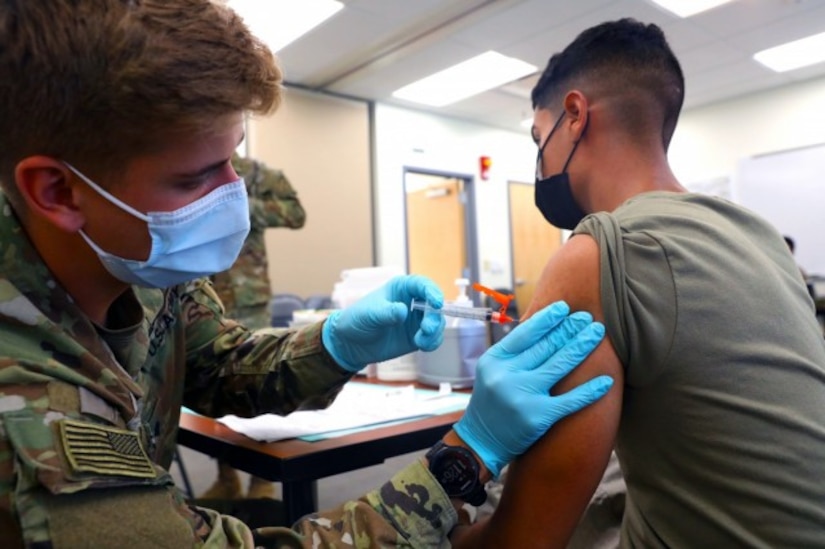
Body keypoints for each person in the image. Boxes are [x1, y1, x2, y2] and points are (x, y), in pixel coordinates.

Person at [0, 2, 614, 547]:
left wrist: (336, 342)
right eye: (195, 179)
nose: (232, 197)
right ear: (56, 190)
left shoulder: (131, 253)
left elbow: (216, 366)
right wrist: (465, 456)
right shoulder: (24, 403)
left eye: (233, 162)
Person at [448, 19, 825, 547]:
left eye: (540, 138)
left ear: (575, 116)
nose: (541, 161)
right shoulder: (760, 236)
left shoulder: (596, 253)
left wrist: (440, 524)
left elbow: (523, 542)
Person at [203, 154, 306, 502]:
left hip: (249, 296)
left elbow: (296, 214)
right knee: (212, 386)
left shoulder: (259, 174)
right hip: (207, 292)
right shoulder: (196, 167)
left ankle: (261, 483)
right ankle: (227, 477)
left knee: (255, 382)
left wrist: (242, 206)